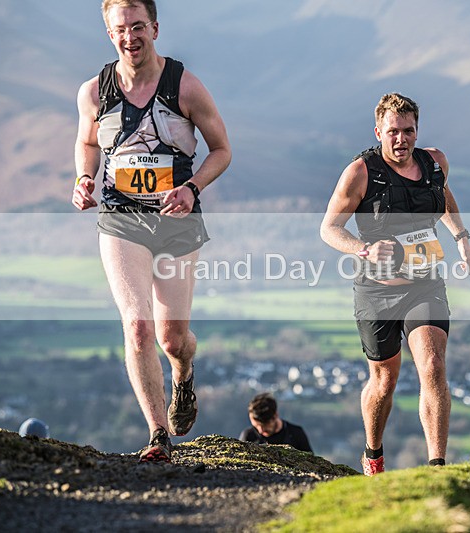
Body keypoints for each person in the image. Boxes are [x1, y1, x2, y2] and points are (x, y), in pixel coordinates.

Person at [72, 0, 231, 462]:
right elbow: (86, 141)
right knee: (137, 325)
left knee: (172, 339)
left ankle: (183, 374)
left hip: (177, 221)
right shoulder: (93, 91)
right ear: (110, 33)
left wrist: (192, 188)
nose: (130, 37)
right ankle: (158, 435)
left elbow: (221, 150)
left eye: (138, 26)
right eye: (120, 29)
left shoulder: (186, 86)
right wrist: (84, 178)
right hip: (121, 219)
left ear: (155, 28)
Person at [320, 93, 470, 475]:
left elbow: (443, 196)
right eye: (393, 131)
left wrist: (461, 237)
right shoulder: (361, 172)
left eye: (408, 131)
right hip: (376, 290)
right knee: (384, 381)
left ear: (417, 131)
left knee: (433, 365)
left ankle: (437, 467)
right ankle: (373, 454)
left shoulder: (434, 162)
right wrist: (364, 249)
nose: (401, 139)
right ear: (379, 132)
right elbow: (329, 228)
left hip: (424, 284)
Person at [239, 393, 313, 453]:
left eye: (264, 425)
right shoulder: (248, 436)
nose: (260, 430)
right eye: (256, 425)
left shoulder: (296, 434)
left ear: (275, 415)